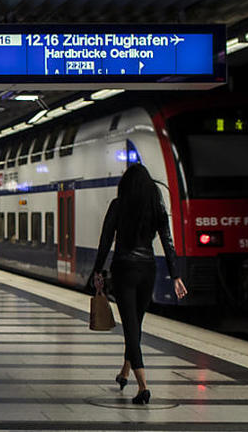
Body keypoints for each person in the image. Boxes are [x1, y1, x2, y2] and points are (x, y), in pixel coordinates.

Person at [89, 164, 188, 405]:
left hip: (124, 270)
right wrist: (175, 275)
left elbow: (105, 240)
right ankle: (124, 371)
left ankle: (143, 386)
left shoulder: (118, 205)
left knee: (131, 328)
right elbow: (167, 241)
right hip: (148, 271)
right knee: (136, 324)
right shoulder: (155, 207)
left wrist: (98, 270)